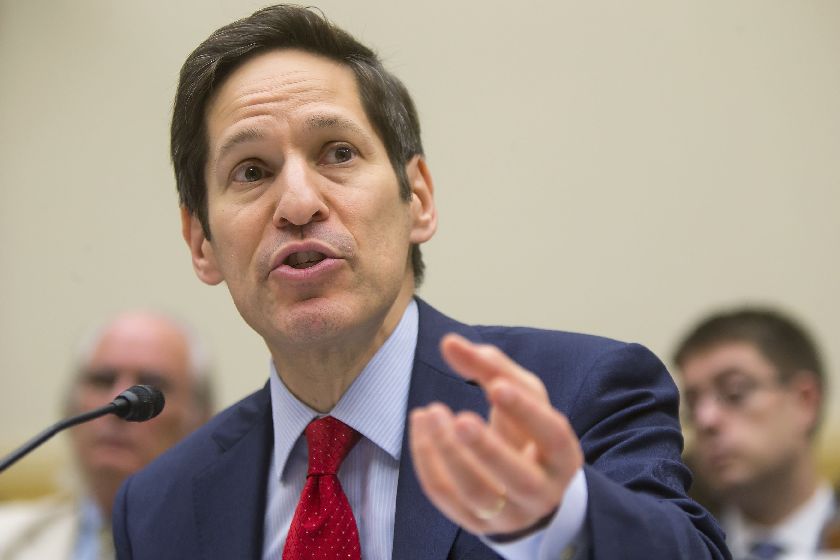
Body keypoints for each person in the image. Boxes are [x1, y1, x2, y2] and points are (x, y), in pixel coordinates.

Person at [112, 5, 728, 559]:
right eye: (251, 170)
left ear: (420, 200)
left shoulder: (579, 396)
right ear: (201, 242)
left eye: (338, 153)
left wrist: (564, 515)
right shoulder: (157, 507)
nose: (298, 203)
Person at [0, 311, 214, 560]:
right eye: (102, 380)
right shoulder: (7, 538)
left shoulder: (243, 543)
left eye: (148, 388)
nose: (120, 404)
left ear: (201, 421)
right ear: (70, 407)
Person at [674, 307, 839, 559]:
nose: (705, 419)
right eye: (693, 404)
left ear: (805, 401)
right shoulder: (678, 542)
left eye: (734, 393)